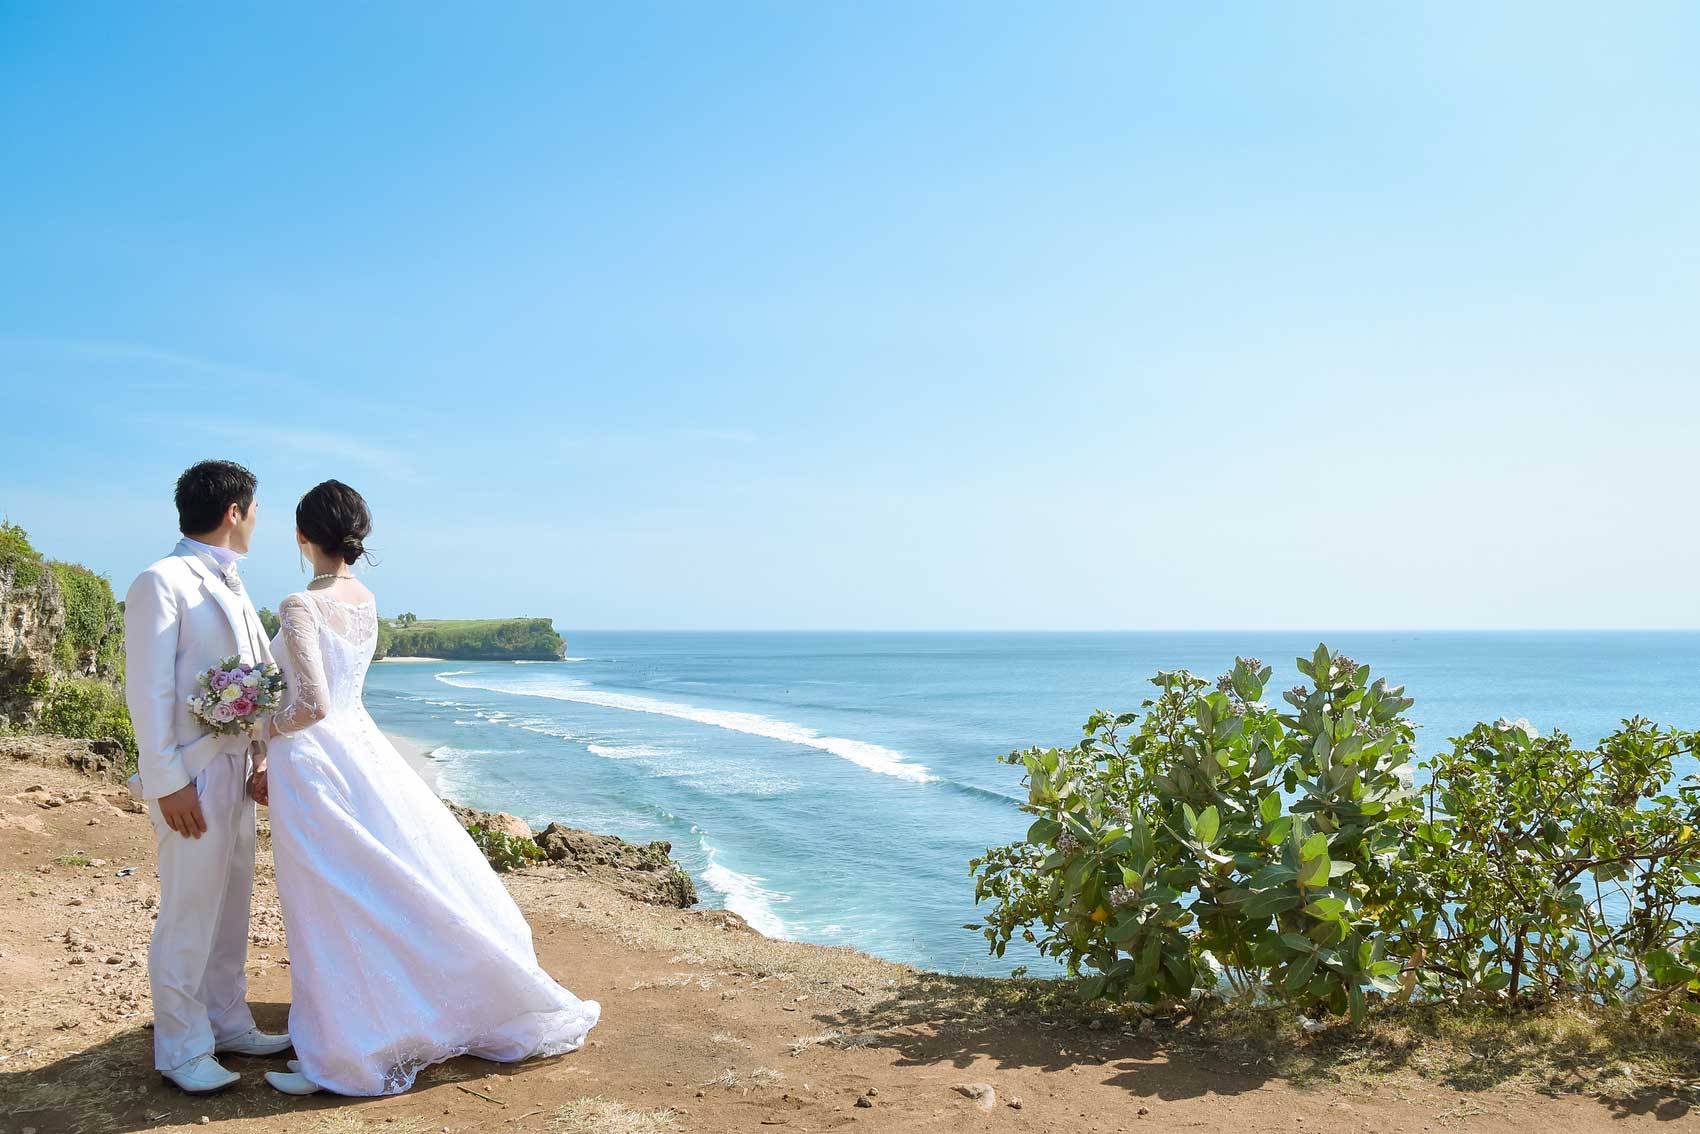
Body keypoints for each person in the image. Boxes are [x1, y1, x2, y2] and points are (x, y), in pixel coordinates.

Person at [254, 479, 599, 1096]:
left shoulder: (299, 604)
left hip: (315, 761)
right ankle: (381, 1016)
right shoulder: (366, 599)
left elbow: (310, 703)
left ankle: (344, 1044)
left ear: (302, 536)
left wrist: (258, 726)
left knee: (329, 896)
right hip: (364, 752)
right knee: (379, 884)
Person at [124, 460, 294, 1093]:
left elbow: (248, 681)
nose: (257, 522)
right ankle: (179, 1045)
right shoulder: (161, 581)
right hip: (190, 778)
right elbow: (146, 691)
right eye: (254, 510)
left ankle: (226, 1019)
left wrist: (258, 757)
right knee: (189, 911)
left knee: (231, 905)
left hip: (236, 771)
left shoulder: (235, 584)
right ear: (234, 512)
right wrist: (166, 782)